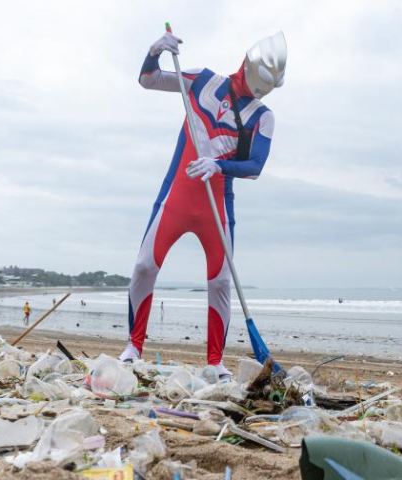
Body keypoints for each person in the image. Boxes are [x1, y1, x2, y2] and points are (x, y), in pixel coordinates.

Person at [118, 30, 287, 380]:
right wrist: (153, 52)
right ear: (247, 66)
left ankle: (215, 361)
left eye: (266, 89)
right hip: (176, 196)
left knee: (221, 282)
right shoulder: (202, 80)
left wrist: (219, 165)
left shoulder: (263, 117)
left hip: (216, 205)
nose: (259, 92)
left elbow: (255, 167)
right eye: (259, 85)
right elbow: (149, 80)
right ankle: (133, 346)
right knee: (145, 265)